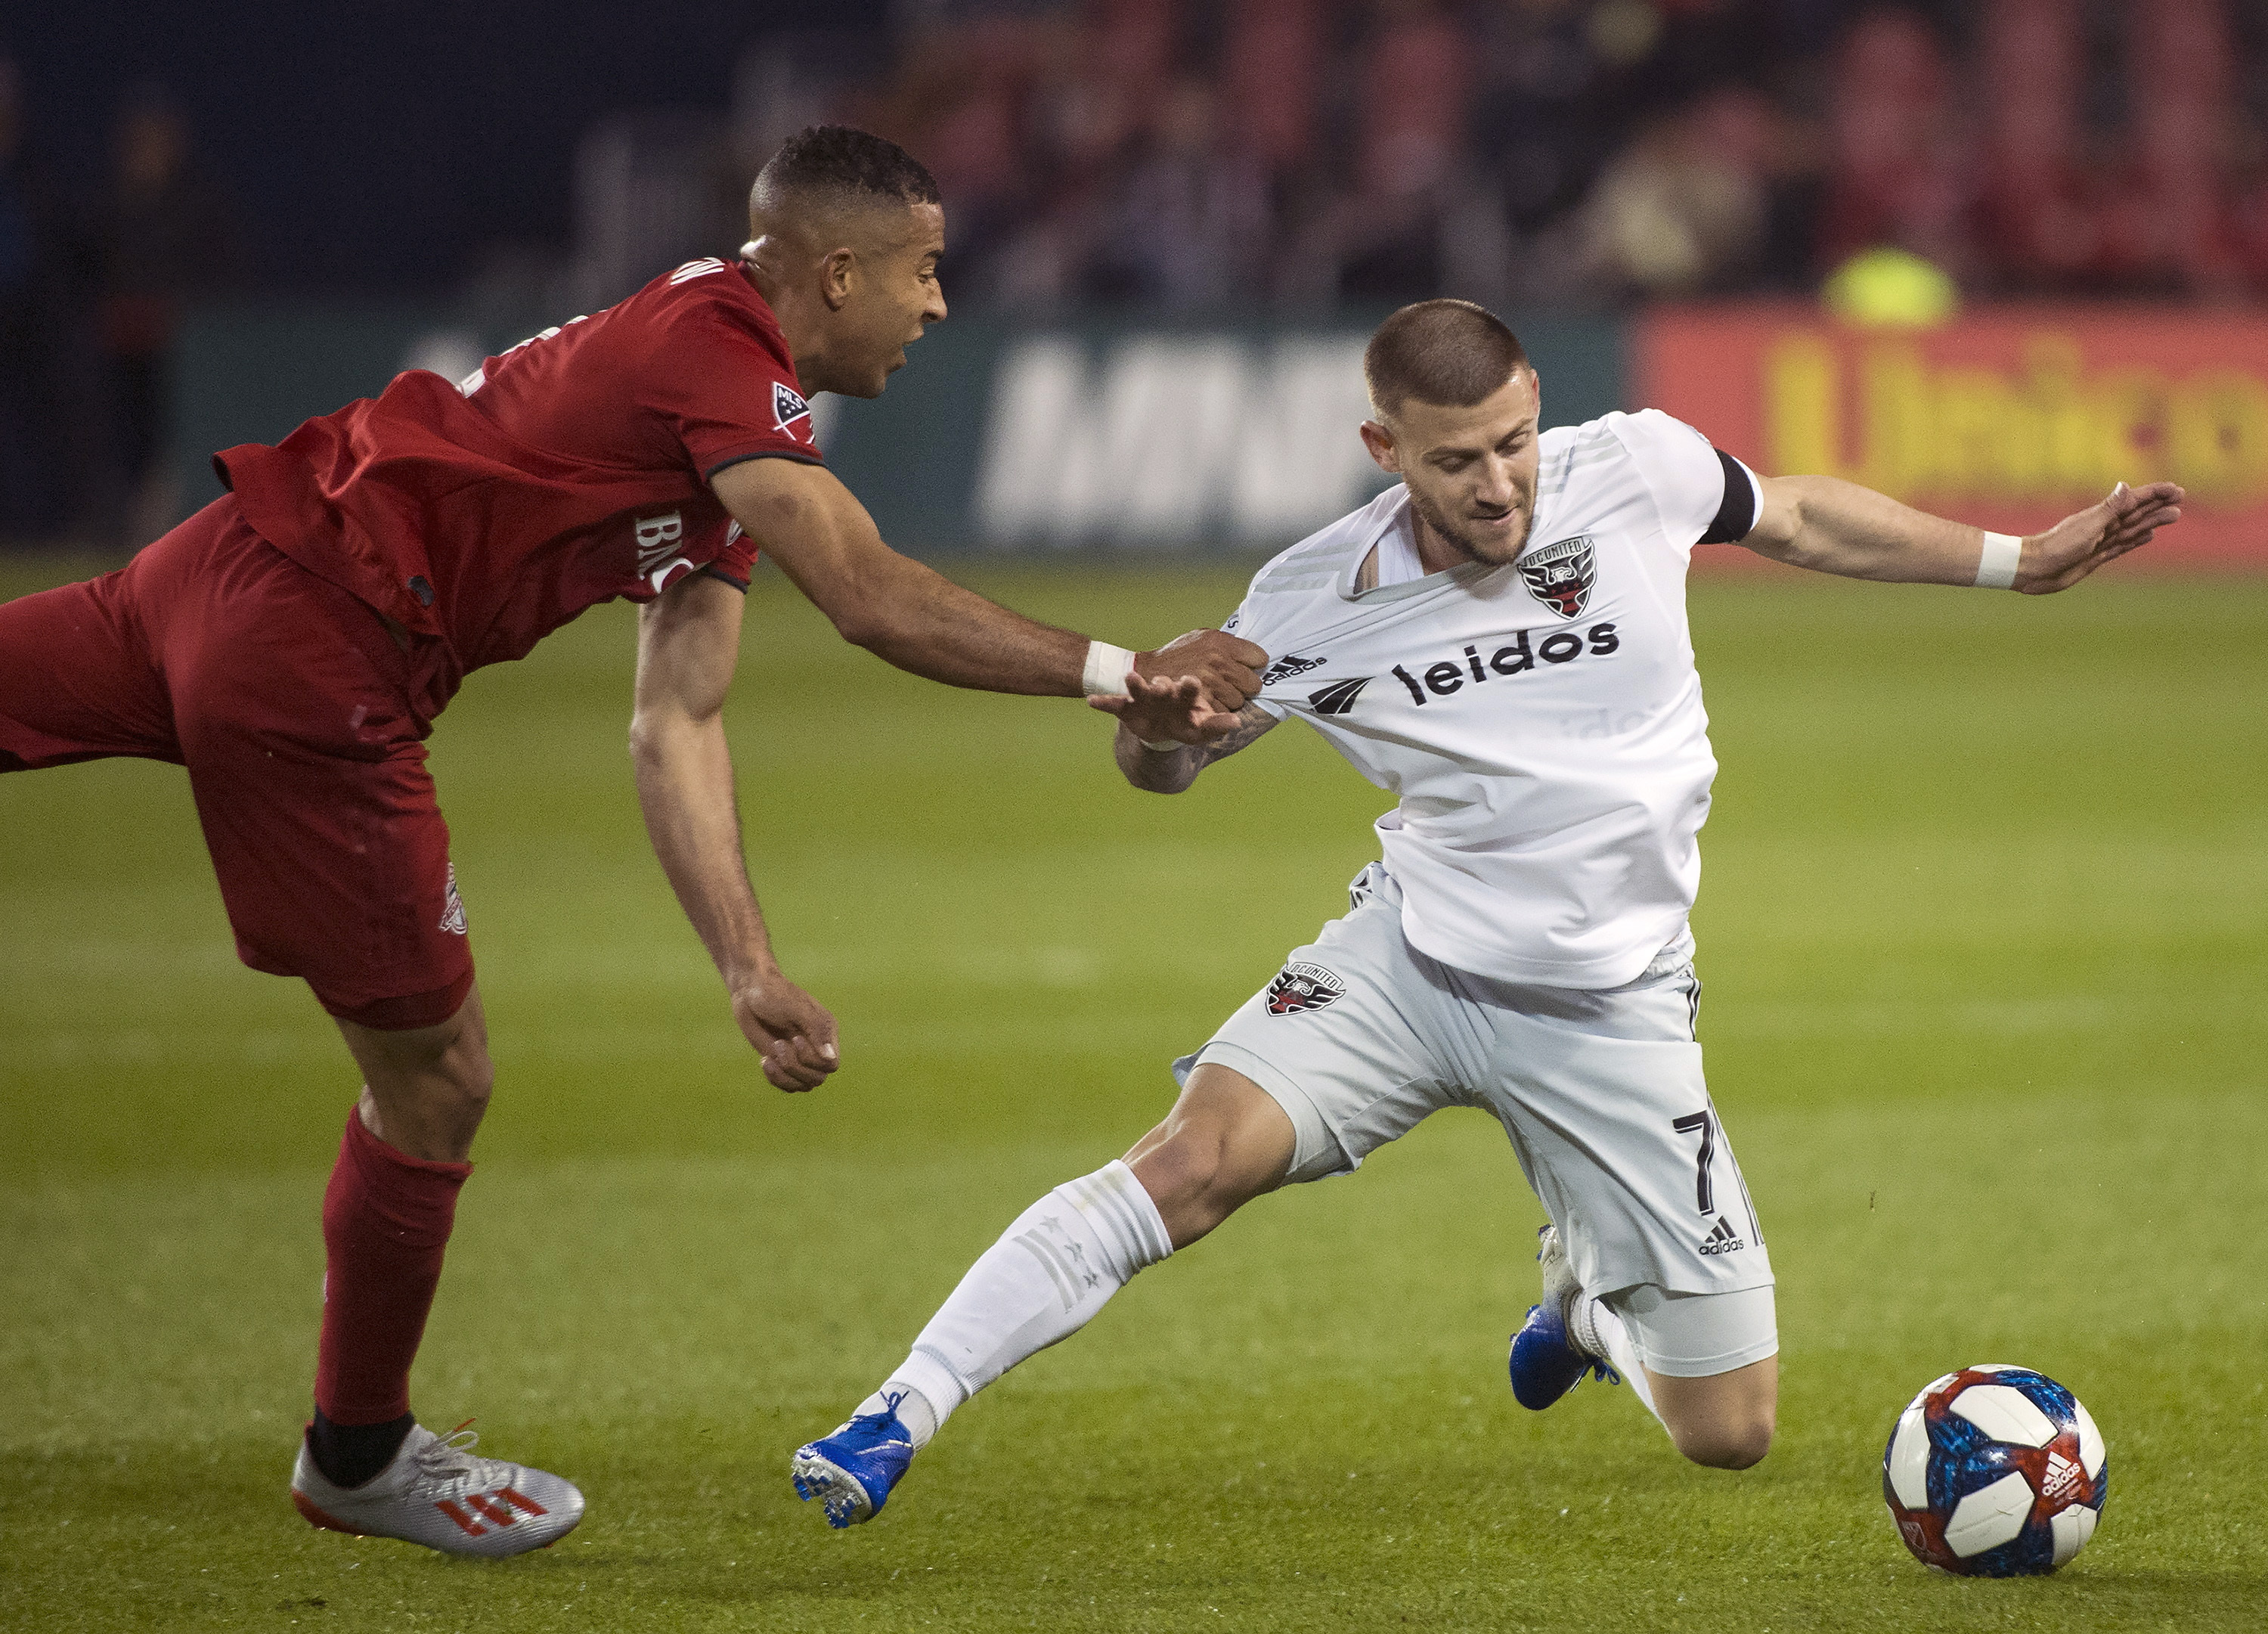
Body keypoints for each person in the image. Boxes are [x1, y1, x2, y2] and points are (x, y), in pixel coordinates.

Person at [0, 125, 1262, 1558]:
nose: (938, 302)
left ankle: (360, 1447)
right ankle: (358, 1451)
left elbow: (678, 719)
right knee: (439, 1082)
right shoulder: (715, 352)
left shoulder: (727, 425)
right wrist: (1121, 672)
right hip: (320, 650)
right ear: (836, 275)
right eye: (922, 270)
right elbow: (865, 593)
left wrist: (746, 962)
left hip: (213, 566)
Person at [788, 297, 2184, 1528]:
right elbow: (1170, 765)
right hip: (1411, 965)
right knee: (1190, 1163)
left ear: (1538, 410)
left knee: (1731, 1430)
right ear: (1384, 448)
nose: (1500, 482)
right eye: (1457, 459)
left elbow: (1802, 514)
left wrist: (2019, 561)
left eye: (1515, 442)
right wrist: (1154, 729)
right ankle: (898, 1409)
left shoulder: (1636, 467)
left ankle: (1584, 1305)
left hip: (1614, 1007)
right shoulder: (1307, 600)